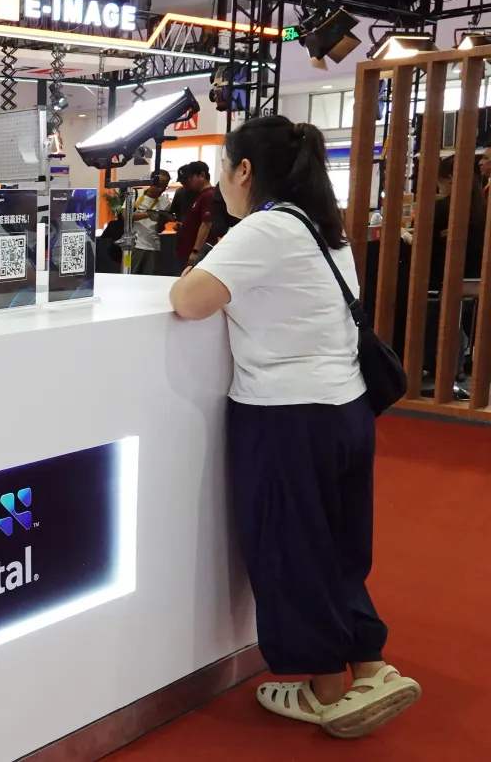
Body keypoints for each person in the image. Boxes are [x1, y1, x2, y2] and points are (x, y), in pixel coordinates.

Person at [169, 116, 420, 738]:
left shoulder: (266, 228)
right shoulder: (321, 228)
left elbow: (188, 300)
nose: (223, 181)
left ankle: (323, 688)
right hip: (346, 409)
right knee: (338, 545)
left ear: (244, 171)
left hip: (286, 415)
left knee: (290, 547)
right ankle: (368, 662)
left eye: (225, 167)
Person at [176, 162, 215, 272]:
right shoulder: (201, 195)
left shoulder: (209, 195)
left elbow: (206, 224)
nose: (189, 181)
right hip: (185, 250)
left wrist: (195, 251)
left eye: (191, 178)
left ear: (202, 175)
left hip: (195, 253)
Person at [131, 169, 171, 275]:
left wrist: (164, 220)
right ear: (151, 182)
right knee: (130, 278)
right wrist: (148, 214)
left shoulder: (165, 202)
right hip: (135, 245)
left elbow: (160, 228)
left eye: (164, 186)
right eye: (159, 185)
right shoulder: (135, 194)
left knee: (149, 280)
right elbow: (125, 217)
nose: (161, 189)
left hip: (153, 246)